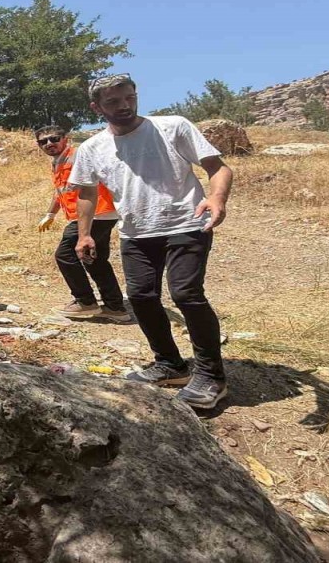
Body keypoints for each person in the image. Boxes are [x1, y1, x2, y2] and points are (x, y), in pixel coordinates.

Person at [69, 74, 234, 409]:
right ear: (96, 107)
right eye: (113, 102)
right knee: (142, 297)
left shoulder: (173, 126)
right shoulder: (92, 148)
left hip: (186, 223)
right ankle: (170, 365)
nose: (124, 106)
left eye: (129, 97)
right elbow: (86, 192)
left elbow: (218, 168)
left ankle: (211, 376)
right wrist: (84, 233)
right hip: (136, 232)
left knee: (186, 293)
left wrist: (217, 199)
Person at [33, 125, 130, 322]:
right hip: (99, 215)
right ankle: (115, 307)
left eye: (54, 139)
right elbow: (60, 190)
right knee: (94, 260)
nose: (49, 144)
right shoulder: (58, 162)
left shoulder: (77, 155)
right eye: (43, 141)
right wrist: (50, 214)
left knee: (65, 254)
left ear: (65, 138)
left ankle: (85, 301)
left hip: (94, 214)